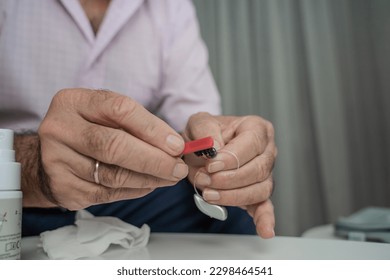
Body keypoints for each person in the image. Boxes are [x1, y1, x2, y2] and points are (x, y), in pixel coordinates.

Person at [0, 0, 276, 239]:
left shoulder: (170, 8)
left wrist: (223, 151)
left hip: (129, 197)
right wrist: (33, 166)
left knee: (232, 221)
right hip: (14, 193)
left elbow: (198, 120)